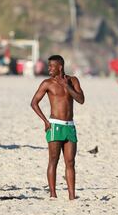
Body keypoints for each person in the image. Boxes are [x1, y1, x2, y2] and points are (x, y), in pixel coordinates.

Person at [31, 55, 85, 200]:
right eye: (48, 66)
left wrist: (67, 86)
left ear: (59, 67)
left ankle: (72, 196)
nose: (48, 69)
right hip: (54, 125)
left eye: (51, 66)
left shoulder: (73, 81)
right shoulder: (47, 83)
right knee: (53, 160)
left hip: (70, 126)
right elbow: (34, 103)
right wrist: (45, 121)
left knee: (70, 162)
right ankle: (53, 194)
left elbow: (81, 100)